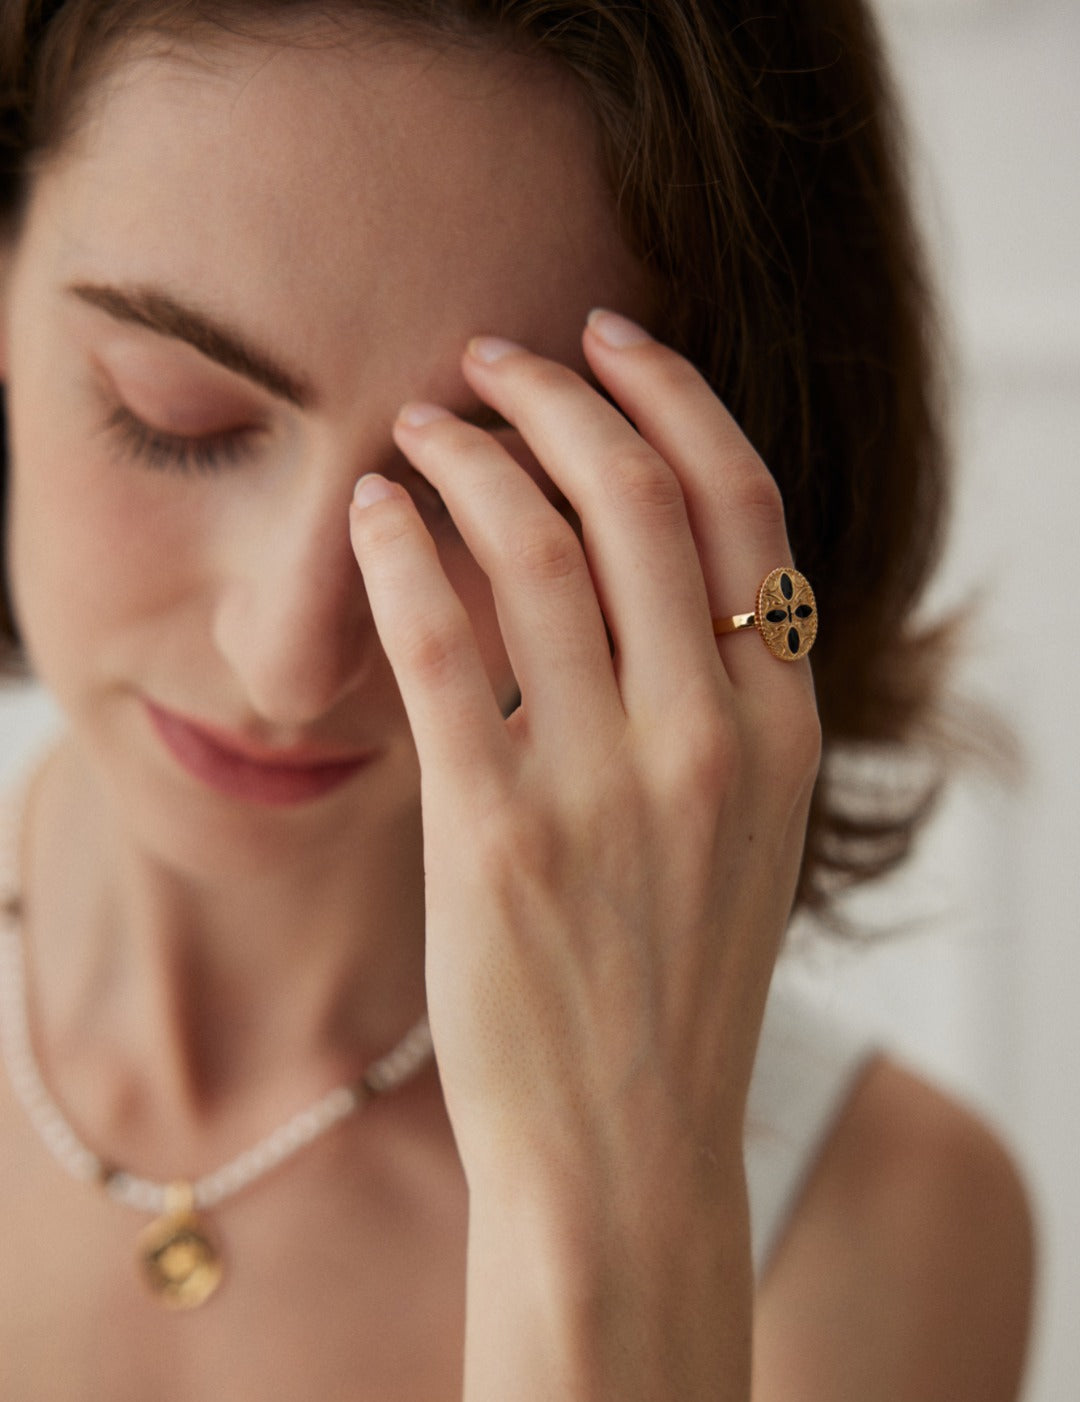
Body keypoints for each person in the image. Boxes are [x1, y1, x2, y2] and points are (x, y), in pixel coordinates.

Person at [0, 0, 1034, 1397]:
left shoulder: (876, 1227)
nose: (289, 661)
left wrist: (612, 1220)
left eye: (489, 499)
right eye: (176, 418)